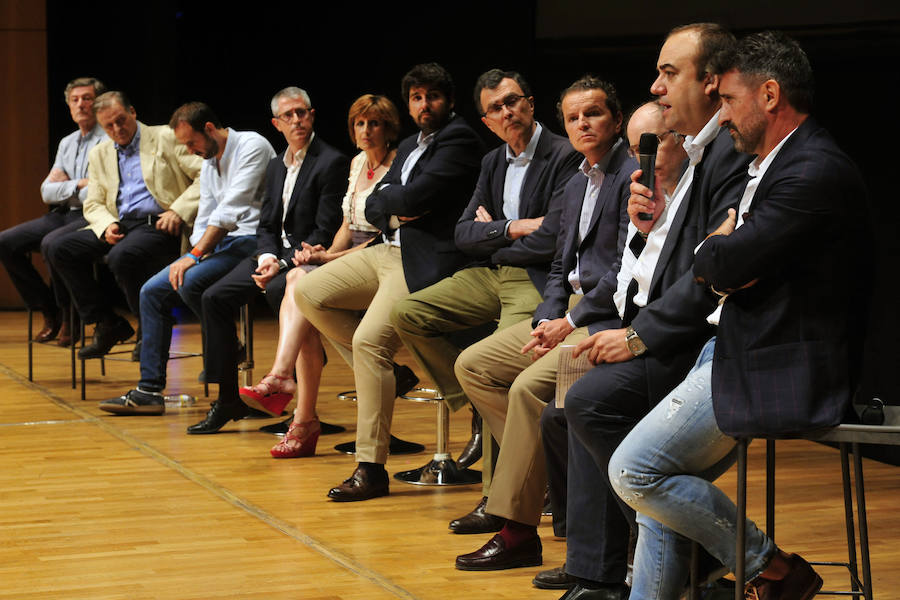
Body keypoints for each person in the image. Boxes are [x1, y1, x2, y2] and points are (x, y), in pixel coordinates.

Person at [608, 31, 869, 600]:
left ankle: (771, 567)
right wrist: (718, 251)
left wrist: (716, 251)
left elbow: (721, 261)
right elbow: (723, 258)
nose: (722, 115)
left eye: (728, 100)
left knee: (633, 471)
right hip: (734, 347)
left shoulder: (811, 170)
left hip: (770, 361)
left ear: (770, 94)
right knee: (657, 497)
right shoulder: (772, 164)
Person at [551, 23, 751, 600]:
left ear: (711, 83)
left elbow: (707, 270)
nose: (658, 86)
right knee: (566, 403)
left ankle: (691, 550)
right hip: (651, 322)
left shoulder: (723, 156)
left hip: (693, 341)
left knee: (586, 402)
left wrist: (635, 337)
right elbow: (649, 266)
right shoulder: (695, 158)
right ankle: (606, 564)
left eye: (669, 73)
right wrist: (648, 225)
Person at [452, 76, 635, 573]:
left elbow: (624, 270)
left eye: (593, 114)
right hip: (566, 310)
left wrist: (570, 318)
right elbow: (558, 263)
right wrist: (549, 313)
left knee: (528, 391)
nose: (582, 124)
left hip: (603, 316)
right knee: (473, 365)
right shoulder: (578, 180)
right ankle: (545, 476)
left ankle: (516, 530)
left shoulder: (631, 176)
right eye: (573, 117)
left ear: (616, 120)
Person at [390, 68, 580, 514]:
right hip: (490, 273)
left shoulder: (563, 154)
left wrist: (492, 230)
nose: (506, 112)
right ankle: (470, 402)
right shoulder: (493, 160)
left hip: (534, 278)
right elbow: (461, 235)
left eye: (513, 101)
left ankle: (497, 499)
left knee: (500, 373)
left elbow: (554, 235)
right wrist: (513, 227)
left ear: (530, 104)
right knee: (408, 313)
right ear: (486, 121)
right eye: (495, 108)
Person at [294, 62, 485, 501]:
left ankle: (370, 467)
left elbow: (412, 197)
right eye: (416, 97)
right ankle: (395, 373)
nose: (424, 104)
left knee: (367, 343)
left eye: (432, 96)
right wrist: (398, 206)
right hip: (385, 249)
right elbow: (381, 202)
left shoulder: (459, 139)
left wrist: (398, 204)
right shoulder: (414, 146)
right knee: (307, 290)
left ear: (449, 100)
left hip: (420, 260)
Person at [533, 99, 688, 592]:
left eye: (656, 141)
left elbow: (687, 287)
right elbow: (626, 280)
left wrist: (629, 335)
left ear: (683, 139)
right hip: (625, 323)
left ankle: (656, 551)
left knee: (582, 402)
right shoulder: (644, 194)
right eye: (643, 146)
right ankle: (595, 562)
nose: (647, 157)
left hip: (676, 340)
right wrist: (641, 234)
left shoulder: (692, 192)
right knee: (558, 412)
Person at [231, 94, 402, 457]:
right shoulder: (356, 163)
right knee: (300, 285)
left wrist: (328, 255)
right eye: (360, 123)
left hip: (382, 258)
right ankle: (296, 405)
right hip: (348, 256)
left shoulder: (397, 166)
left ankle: (293, 399)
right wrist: (322, 256)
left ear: (388, 129)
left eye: (374, 124)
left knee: (297, 286)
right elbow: (345, 224)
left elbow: (380, 237)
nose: (366, 131)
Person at [187, 86, 349, 434]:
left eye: (302, 112)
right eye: (288, 116)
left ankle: (303, 405)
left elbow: (324, 230)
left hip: (309, 260)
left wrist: (285, 264)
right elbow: (266, 224)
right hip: (275, 256)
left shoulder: (330, 161)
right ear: (277, 124)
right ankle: (228, 399)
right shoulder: (277, 165)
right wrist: (267, 256)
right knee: (213, 298)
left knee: (284, 295)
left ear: (312, 115)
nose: (296, 120)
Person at [97, 101, 274, 415]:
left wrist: (194, 256)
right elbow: (205, 214)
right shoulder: (207, 160)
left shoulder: (251, 145)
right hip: (218, 245)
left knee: (190, 281)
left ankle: (225, 348)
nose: (190, 150)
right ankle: (149, 391)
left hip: (252, 241)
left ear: (209, 129)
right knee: (151, 291)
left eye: (191, 142)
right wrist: (193, 253)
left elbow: (230, 210)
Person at [45, 91, 201, 360]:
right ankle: (107, 323)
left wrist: (179, 210)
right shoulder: (100, 152)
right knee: (59, 248)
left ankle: (150, 328)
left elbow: (206, 174)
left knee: (122, 256)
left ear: (133, 112)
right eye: (109, 126)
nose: (117, 129)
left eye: (121, 121)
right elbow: (93, 203)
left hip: (161, 223)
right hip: (121, 223)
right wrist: (106, 225)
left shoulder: (165, 136)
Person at [0, 77, 106, 346]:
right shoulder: (67, 142)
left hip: (93, 214)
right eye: (75, 99)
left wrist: (67, 185)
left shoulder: (108, 138)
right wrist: (79, 184)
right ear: (69, 106)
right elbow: (46, 191)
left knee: (53, 244)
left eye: (87, 98)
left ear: (98, 103)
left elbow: (99, 191)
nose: (80, 104)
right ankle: (49, 308)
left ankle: (72, 315)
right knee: (5, 242)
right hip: (62, 213)